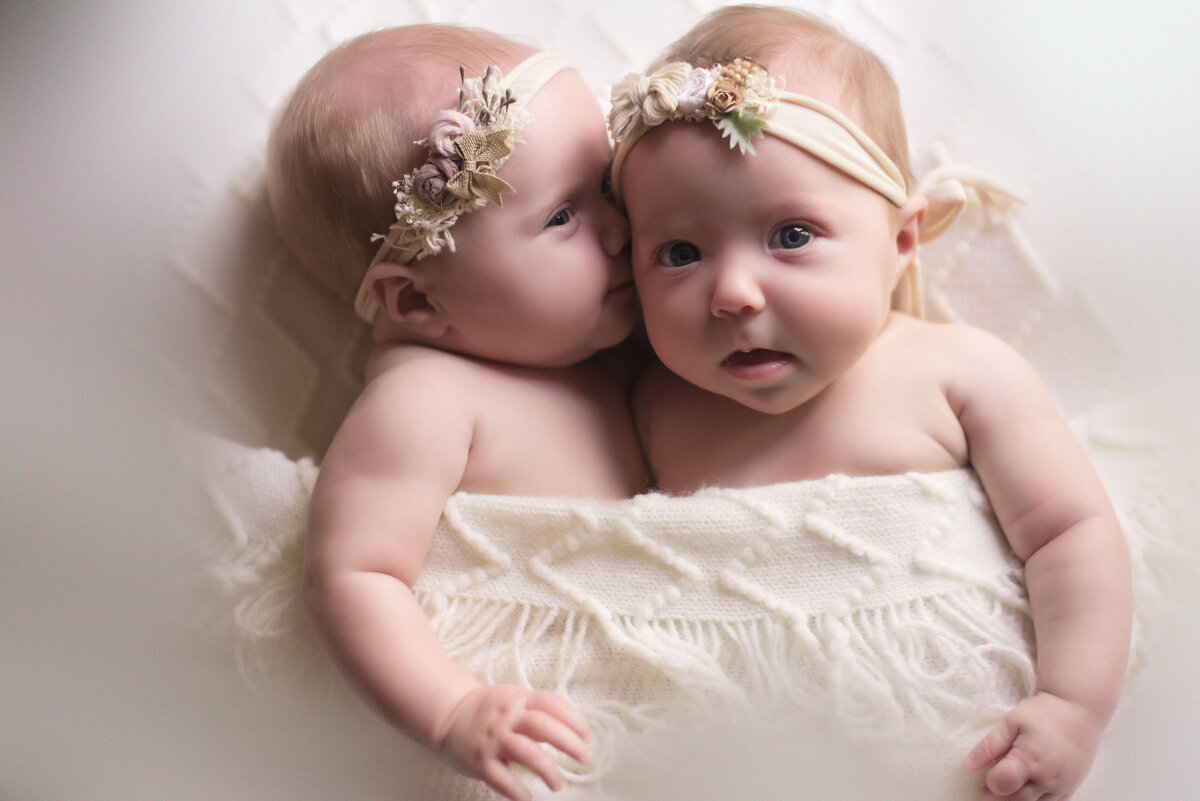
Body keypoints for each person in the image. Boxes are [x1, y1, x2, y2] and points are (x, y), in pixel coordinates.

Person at [607, 6, 1131, 800]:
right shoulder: (652, 404)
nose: (735, 293)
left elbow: (1071, 531)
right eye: (680, 252)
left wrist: (1072, 703)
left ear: (902, 241)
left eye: (790, 235)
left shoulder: (957, 372)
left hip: (953, 759)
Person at [265, 24, 648, 801]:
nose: (618, 228)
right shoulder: (427, 399)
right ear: (417, 299)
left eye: (606, 188)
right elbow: (353, 572)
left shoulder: (608, 353)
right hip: (536, 732)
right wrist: (454, 710)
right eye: (562, 217)